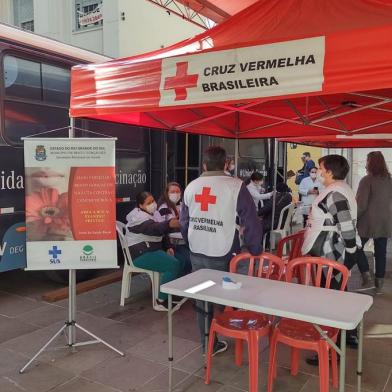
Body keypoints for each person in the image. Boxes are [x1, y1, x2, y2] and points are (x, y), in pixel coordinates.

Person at [180, 146, 262, 355]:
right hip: (224, 250)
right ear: (226, 164)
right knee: (231, 292)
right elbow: (250, 221)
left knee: (202, 297)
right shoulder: (235, 186)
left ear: (204, 165)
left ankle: (208, 343)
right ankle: (237, 333)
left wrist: (190, 242)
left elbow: (184, 222)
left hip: (197, 249)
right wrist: (255, 249)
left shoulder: (191, 186)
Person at [301, 155, 361, 363]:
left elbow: (344, 223)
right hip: (333, 250)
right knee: (339, 294)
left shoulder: (334, 193)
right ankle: (349, 334)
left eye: (320, 168)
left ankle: (330, 349)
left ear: (330, 172)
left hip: (328, 252)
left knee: (329, 301)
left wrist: (352, 249)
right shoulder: (341, 188)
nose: (318, 171)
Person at [125, 191, 185, 310]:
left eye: (153, 201)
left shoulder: (152, 213)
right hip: (139, 255)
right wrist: (169, 223)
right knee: (173, 264)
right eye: (149, 202)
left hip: (150, 249)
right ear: (140, 206)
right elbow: (154, 229)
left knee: (181, 259)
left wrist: (168, 247)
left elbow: (161, 233)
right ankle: (160, 301)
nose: (153, 204)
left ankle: (169, 293)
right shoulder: (138, 218)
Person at [356, 151, 392, 294]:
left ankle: (366, 273)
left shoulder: (367, 180)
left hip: (367, 221)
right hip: (385, 220)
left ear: (370, 162)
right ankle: (379, 283)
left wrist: (354, 218)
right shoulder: (389, 180)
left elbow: (361, 204)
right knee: (381, 252)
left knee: (356, 246)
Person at [156, 182, 192, 274]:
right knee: (187, 259)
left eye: (177, 191)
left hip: (180, 242)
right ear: (166, 193)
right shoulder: (164, 208)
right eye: (172, 192)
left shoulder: (180, 206)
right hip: (169, 243)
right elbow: (164, 228)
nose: (175, 194)